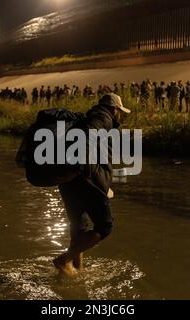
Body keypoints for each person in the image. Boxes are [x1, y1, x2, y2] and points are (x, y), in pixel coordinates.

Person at [53, 93, 131, 277]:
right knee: (104, 226)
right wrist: (93, 176)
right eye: (119, 111)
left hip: (69, 179)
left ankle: (77, 269)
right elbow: (87, 137)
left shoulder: (87, 117)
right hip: (86, 180)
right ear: (114, 109)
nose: (119, 115)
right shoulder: (103, 117)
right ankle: (64, 260)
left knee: (79, 227)